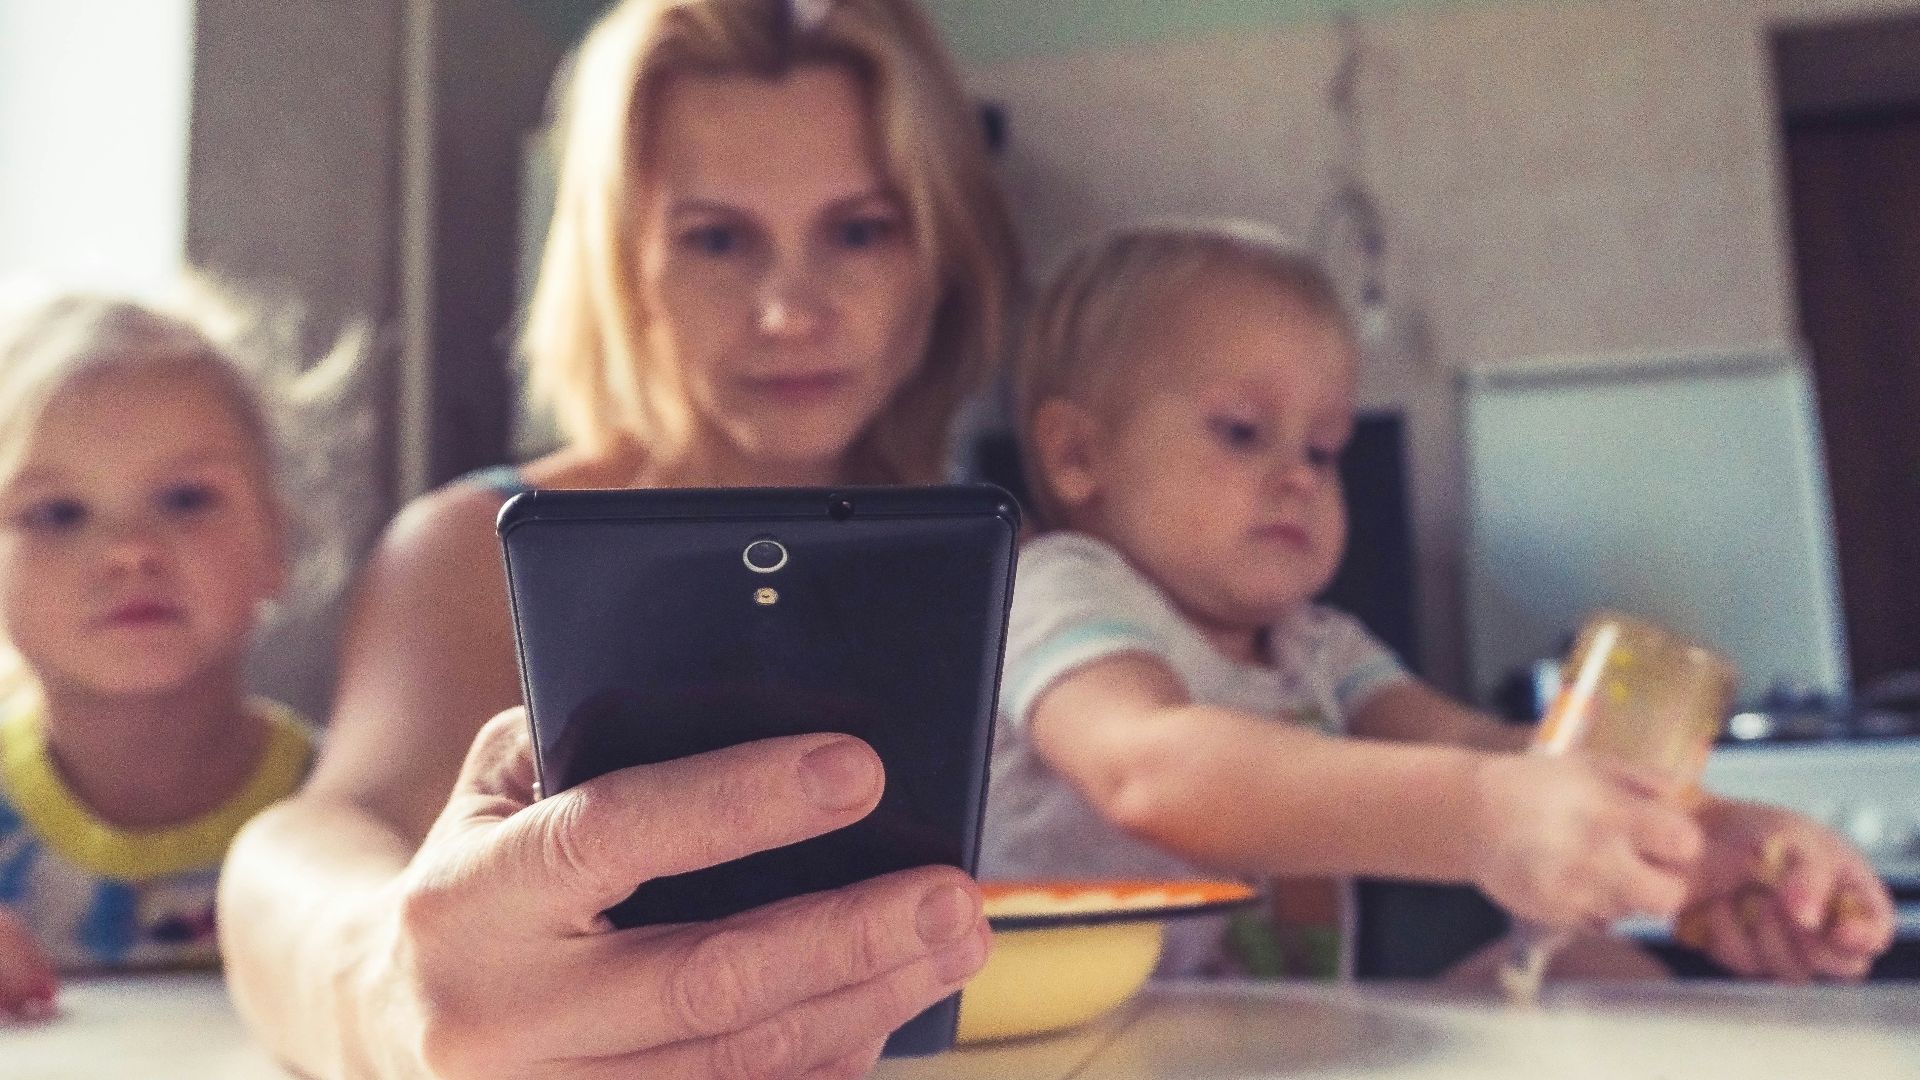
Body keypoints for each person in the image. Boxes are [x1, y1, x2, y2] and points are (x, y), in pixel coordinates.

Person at [217, 0, 1020, 1076]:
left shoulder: (1024, 563)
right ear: (624, 262)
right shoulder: (471, 545)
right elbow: (307, 847)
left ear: (939, 253)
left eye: (859, 229)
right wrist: (386, 990)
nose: (790, 308)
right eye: (717, 238)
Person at [979, 221, 1896, 983]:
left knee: (1598, 970)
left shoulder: (1317, 647)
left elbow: (1481, 750)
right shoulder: (1055, 585)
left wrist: (1699, 840)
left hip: (1273, 1038)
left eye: (1325, 448)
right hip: (1083, 1046)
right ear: (1077, 457)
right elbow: (1151, 769)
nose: (1298, 477)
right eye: (1242, 432)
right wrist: (1484, 817)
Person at [0, 290, 332, 1018]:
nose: (130, 553)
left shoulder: (349, 803)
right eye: (56, 513)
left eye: (184, 498)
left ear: (275, 541)